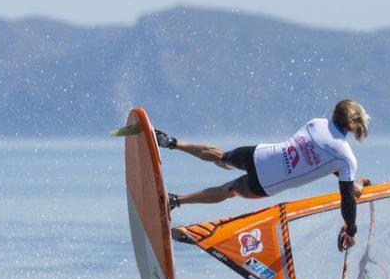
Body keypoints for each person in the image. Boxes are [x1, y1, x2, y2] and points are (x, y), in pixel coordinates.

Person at [155, 99, 370, 251]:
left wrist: (351, 187)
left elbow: (317, 155)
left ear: (335, 113)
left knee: (221, 157)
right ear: (355, 124)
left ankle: (173, 143)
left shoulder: (317, 123)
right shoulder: (345, 158)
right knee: (227, 190)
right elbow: (347, 201)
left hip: (259, 154)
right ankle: (175, 201)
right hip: (266, 182)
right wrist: (351, 231)